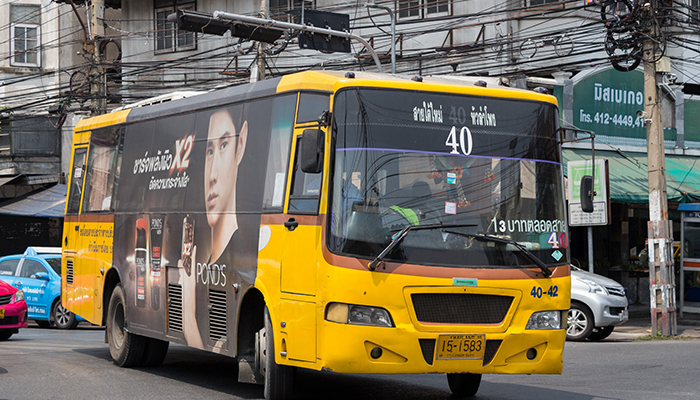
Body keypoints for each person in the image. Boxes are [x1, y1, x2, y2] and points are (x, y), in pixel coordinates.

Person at [179, 108, 248, 350]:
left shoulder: (244, 259)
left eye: (223, 145)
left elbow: (215, 346)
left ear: (241, 146)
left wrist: (187, 313)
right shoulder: (204, 262)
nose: (212, 175)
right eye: (209, 150)